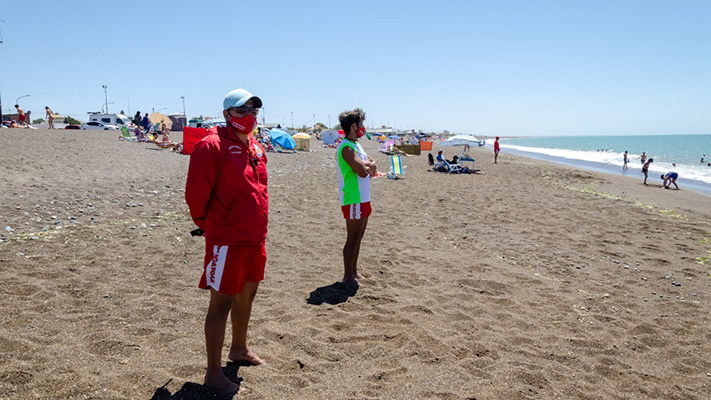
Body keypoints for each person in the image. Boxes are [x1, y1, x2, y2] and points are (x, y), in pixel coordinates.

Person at [185, 88, 267, 394]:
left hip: (255, 238)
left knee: (247, 295)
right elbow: (195, 195)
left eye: (253, 111)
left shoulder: (256, 147)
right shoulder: (211, 145)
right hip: (227, 240)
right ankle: (213, 373)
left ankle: (239, 349)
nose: (249, 116)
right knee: (220, 304)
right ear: (227, 114)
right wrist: (211, 226)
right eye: (242, 110)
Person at [336, 108, 377, 285]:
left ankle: (354, 271)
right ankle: (347, 276)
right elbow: (362, 171)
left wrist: (367, 165)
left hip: (363, 197)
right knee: (352, 238)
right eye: (361, 124)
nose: (363, 127)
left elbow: (371, 165)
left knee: (359, 237)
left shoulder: (356, 145)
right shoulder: (346, 147)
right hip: (353, 198)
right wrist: (367, 166)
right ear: (354, 126)